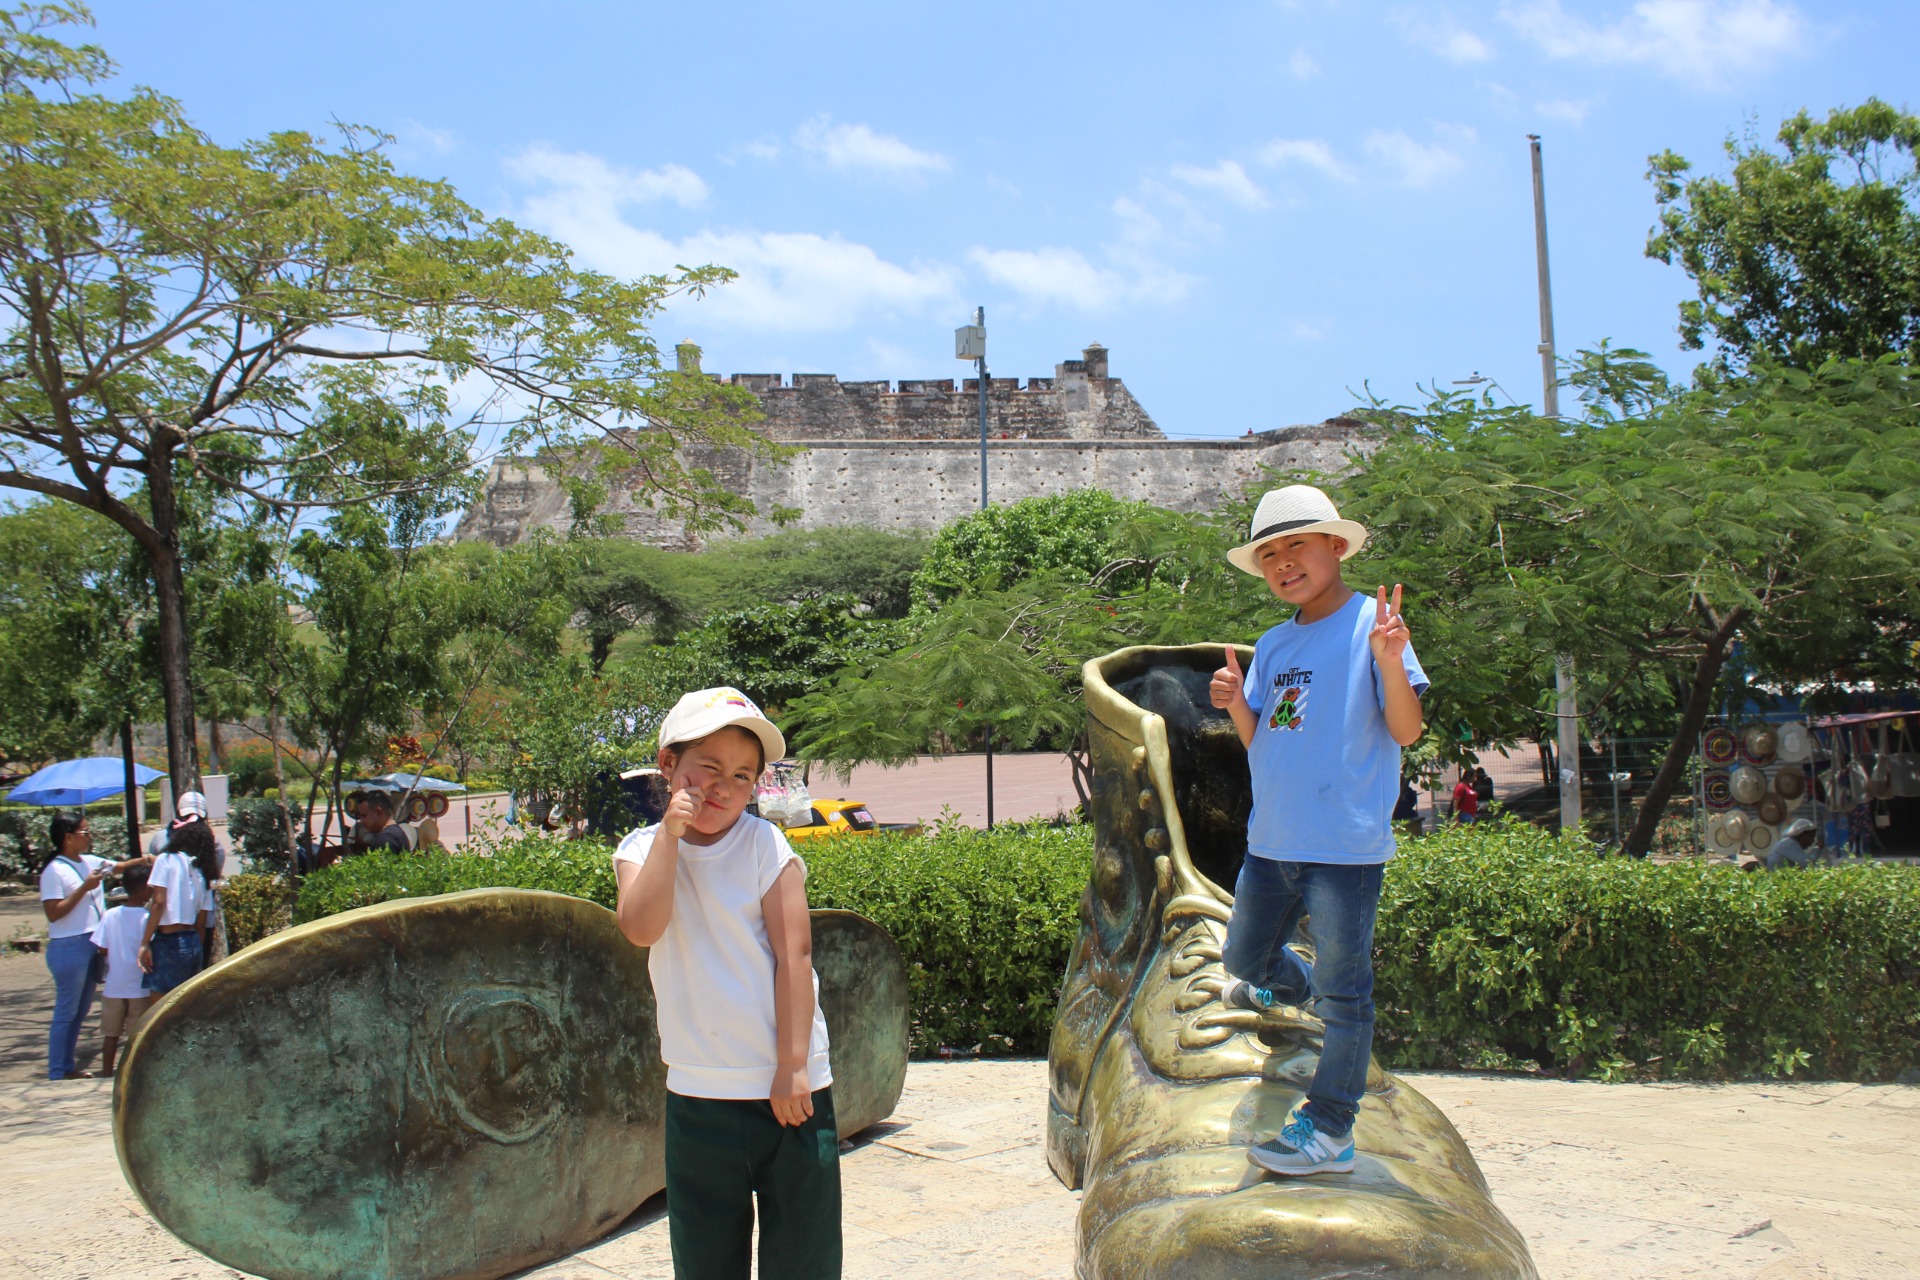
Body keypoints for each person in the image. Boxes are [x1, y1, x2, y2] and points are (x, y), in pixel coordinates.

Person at [1209, 485, 1426, 1177]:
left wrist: (1390, 661)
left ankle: (1331, 1129)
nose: (1282, 563)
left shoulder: (1373, 626)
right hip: (1272, 840)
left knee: (1347, 995)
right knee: (1244, 962)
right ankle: (1297, 993)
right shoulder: (1275, 643)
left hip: (1342, 847)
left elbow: (1406, 731)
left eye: (1295, 546)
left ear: (1336, 546)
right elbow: (1267, 740)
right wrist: (1235, 704)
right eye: (1268, 554)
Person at [613, 687, 840, 1279]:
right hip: (699, 1088)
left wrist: (793, 1065)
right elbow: (641, 928)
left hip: (788, 1086)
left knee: (804, 1255)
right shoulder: (640, 850)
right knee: (705, 1254)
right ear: (668, 764)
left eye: (742, 776)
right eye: (708, 769)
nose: (723, 788)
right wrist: (670, 837)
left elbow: (794, 954)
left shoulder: (764, 843)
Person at [40, 813, 149, 1080]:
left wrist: (146, 861)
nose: (89, 837)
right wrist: (84, 888)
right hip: (69, 944)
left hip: (91, 941)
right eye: (84, 833)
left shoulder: (88, 862)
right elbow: (53, 913)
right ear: (68, 837)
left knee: (80, 1010)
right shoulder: (54, 870)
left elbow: (120, 867)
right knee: (67, 1010)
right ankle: (57, 1071)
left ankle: (67, 1067)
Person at [91, 863, 157, 1074]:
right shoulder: (148, 919)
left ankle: (106, 1072)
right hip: (139, 986)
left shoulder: (111, 915)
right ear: (147, 889)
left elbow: (102, 947)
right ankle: (132, 1074)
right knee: (136, 1036)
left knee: (110, 1034)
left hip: (114, 986)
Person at [140, 818, 213, 995]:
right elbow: (201, 922)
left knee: (161, 1004)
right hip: (193, 940)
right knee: (186, 1001)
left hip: (169, 940)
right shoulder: (200, 870)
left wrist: (145, 943)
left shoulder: (165, 860)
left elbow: (159, 902)